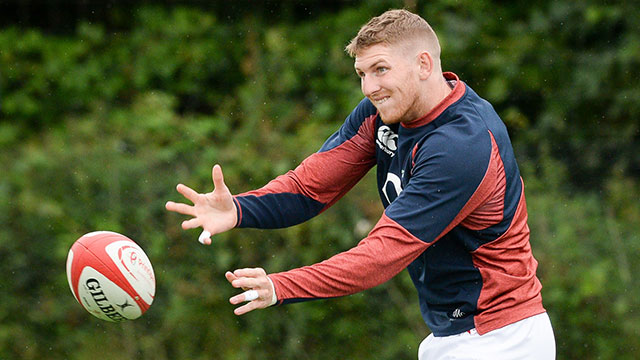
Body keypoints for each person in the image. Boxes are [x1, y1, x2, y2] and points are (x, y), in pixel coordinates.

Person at [165, 9, 556, 359]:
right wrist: (239, 208)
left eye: (381, 70)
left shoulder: (461, 146)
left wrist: (282, 286)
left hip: (501, 338)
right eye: (362, 75)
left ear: (423, 64)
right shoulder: (382, 113)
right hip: (454, 337)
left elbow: (380, 255)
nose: (369, 87)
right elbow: (310, 187)